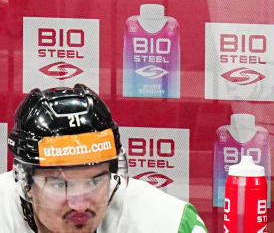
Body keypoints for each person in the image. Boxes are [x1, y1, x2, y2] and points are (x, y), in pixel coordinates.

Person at [0, 84, 208, 232]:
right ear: (25, 182)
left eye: (95, 180)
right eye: (58, 183)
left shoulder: (167, 223)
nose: (79, 204)